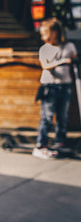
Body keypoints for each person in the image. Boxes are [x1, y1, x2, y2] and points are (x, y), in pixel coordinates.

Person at [33, 18, 78, 159]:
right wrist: (63, 61)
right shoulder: (44, 49)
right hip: (49, 86)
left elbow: (74, 60)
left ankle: (60, 142)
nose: (42, 37)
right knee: (46, 117)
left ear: (54, 33)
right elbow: (45, 66)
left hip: (65, 85)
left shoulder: (69, 46)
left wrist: (70, 62)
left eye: (44, 33)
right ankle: (41, 145)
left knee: (63, 117)